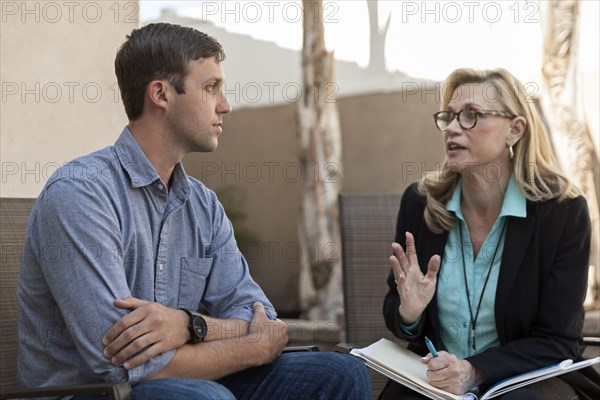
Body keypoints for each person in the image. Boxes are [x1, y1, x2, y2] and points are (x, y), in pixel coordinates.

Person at [17, 22, 371, 400]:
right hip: (95, 393)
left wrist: (190, 326)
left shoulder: (202, 206)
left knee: (342, 374)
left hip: (183, 379)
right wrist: (248, 347)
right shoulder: (81, 194)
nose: (226, 105)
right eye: (210, 87)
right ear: (161, 94)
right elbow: (124, 364)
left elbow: (261, 318)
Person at [380, 68, 599, 400]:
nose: (453, 128)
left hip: (525, 380)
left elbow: (558, 339)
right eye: (448, 117)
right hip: (436, 381)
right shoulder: (421, 203)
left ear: (515, 130)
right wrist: (409, 313)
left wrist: (474, 371)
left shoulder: (562, 213)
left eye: (471, 116)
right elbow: (397, 310)